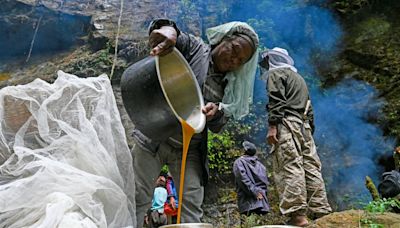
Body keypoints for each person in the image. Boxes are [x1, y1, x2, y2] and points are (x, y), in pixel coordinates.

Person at [133, 19, 259, 227]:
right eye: (234, 50)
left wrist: (217, 111)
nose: (234, 60)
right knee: (138, 196)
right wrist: (167, 32)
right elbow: (172, 35)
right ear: (223, 39)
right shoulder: (196, 48)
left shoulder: (230, 84)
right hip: (154, 136)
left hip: (190, 147)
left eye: (241, 60)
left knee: (191, 204)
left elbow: (219, 125)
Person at [260, 47, 331, 226]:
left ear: (272, 60)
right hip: (305, 125)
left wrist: (272, 126)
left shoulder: (275, 74)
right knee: (311, 167)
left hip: (286, 123)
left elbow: (276, 100)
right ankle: (321, 211)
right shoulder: (299, 78)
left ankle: (297, 216)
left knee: (289, 165)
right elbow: (310, 106)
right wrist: (309, 130)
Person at [233, 140, 270, 216]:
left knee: (248, 224)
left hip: (247, 202)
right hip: (261, 202)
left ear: (244, 150)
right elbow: (264, 183)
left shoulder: (239, 162)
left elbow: (243, 179)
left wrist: (255, 192)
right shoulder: (261, 165)